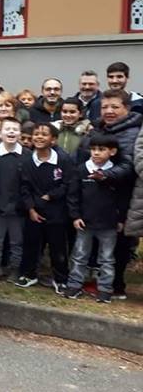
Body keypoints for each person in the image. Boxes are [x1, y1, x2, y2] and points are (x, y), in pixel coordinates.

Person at [78, 89, 141, 299]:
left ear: (127, 108)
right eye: (105, 106)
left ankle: (115, 286)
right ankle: (101, 281)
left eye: (115, 107)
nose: (109, 111)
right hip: (94, 193)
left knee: (119, 242)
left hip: (121, 196)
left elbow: (129, 164)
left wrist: (106, 175)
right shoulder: (98, 127)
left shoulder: (133, 131)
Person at [64, 134, 127, 303]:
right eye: (93, 149)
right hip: (85, 222)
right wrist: (75, 216)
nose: (96, 153)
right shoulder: (81, 169)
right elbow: (73, 195)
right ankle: (74, 285)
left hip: (109, 224)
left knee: (106, 258)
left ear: (112, 151)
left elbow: (122, 199)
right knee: (79, 255)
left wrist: (121, 219)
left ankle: (105, 289)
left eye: (101, 149)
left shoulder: (116, 172)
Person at [17, 123, 76, 292]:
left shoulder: (63, 160)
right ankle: (28, 275)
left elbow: (68, 184)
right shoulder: (27, 161)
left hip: (57, 211)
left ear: (54, 139)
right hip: (34, 211)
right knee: (31, 245)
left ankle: (61, 279)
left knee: (58, 247)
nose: (39, 137)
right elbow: (24, 187)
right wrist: (31, 209)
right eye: (36, 134)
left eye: (44, 134)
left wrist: (50, 196)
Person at [0, 117, 28, 281]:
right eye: (7, 129)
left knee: (17, 241)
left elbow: (27, 182)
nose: (11, 132)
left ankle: (14, 269)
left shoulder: (27, 155)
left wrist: (21, 203)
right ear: (0, 133)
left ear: (20, 133)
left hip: (18, 208)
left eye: (15, 129)